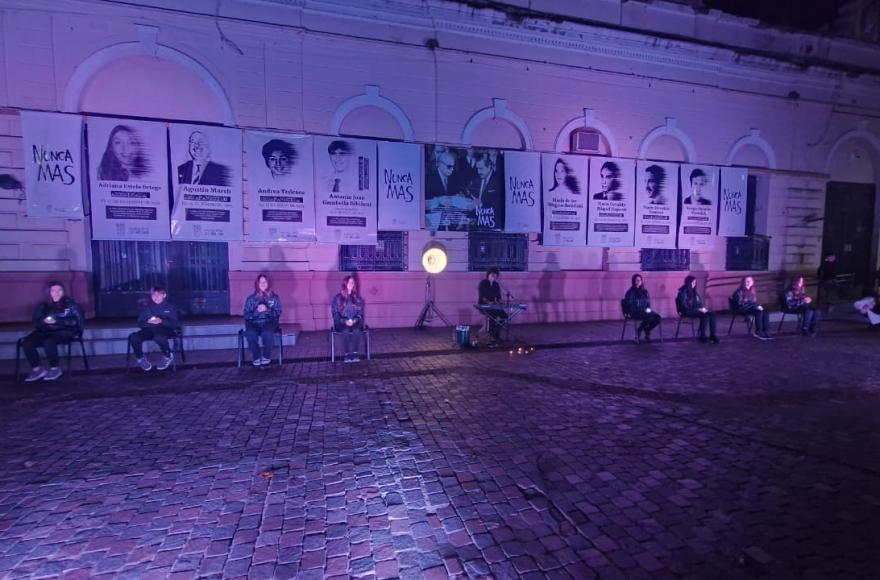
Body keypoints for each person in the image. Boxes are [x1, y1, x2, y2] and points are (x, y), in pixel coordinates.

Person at [21, 281, 83, 382]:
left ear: (63, 292)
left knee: (49, 341)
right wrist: (44, 322)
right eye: (53, 290)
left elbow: (76, 321)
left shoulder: (70, 304)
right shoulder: (43, 305)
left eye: (59, 290)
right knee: (27, 342)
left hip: (64, 331)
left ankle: (55, 368)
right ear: (49, 292)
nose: (56, 293)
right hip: (46, 331)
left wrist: (57, 321)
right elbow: (36, 321)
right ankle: (37, 369)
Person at [130, 286, 181, 371]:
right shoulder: (147, 308)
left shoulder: (170, 307)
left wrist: (161, 321)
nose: (156, 297)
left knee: (159, 337)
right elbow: (140, 323)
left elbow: (175, 324)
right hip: (149, 329)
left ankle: (167, 355)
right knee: (133, 337)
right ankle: (140, 358)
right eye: (153, 295)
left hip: (165, 329)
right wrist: (148, 322)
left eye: (159, 294)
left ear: (164, 295)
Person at [243, 274, 282, 366]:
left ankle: (266, 356)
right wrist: (256, 311)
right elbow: (246, 314)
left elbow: (278, 312)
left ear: (268, 283)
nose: (263, 284)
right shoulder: (251, 299)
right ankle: (256, 356)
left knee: (267, 333)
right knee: (250, 333)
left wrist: (267, 310)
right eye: (260, 282)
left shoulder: (274, 298)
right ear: (257, 284)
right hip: (254, 323)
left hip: (269, 322)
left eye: (265, 282)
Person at [676, 275, 719, 343]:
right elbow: (684, 307)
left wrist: (705, 310)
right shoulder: (682, 293)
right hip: (686, 311)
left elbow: (700, 304)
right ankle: (702, 336)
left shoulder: (694, 292)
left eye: (695, 283)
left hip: (696, 310)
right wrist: (698, 309)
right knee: (705, 316)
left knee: (712, 314)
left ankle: (713, 335)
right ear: (689, 283)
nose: (694, 284)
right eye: (693, 283)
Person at [332, 275, 365, 363]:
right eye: (349, 282)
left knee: (356, 329)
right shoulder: (338, 298)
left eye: (352, 282)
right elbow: (335, 314)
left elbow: (360, 313)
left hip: (355, 322)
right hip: (341, 323)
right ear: (345, 283)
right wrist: (344, 321)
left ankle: (355, 353)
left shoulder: (357, 298)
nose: (351, 284)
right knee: (345, 330)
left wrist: (355, 320)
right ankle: (346, 354)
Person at [730, 276, 772, 340]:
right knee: (759, 312)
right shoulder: (739, 292)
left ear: (752, 282)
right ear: (743, 282)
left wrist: (757, 306)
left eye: (750, 281)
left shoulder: (752, 291)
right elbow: (740, 304)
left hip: (750, 308)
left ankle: (766, 331)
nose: (749, 282)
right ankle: (758, 332)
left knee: (765, 311)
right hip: (741, 309)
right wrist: (755, 307)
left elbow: (752, 303)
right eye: (747, 281)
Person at [623, 274, 662, 343]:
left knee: (657, 318)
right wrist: (638, 310)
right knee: (649, 317)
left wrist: (648, 309)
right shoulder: (630, 292)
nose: (638, 282)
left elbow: (648, 303)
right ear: (633, 281)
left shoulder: (645, 292)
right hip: (635, 312)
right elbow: (630, 304)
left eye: (640, 280)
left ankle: (645, 329)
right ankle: (641, 330)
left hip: (644, 311)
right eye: (637, 280)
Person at [478, 267, 506, 344]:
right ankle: (492, 336)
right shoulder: (483, 283)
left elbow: (498, 297)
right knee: (493, 315)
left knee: (504, 316)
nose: (494, 276)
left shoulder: (496, 284)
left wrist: (500, 302)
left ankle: (495, 335)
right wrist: (489, 302)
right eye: (492, 274)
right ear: (488, 274)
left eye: (495, 275)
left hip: (494, 306)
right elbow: (482, 296)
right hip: (484, 305)